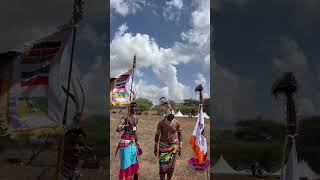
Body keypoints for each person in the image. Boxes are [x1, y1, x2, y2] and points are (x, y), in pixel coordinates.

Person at [116, 101, 142, 180]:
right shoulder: (125, 117)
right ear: (129, 107)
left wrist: (138, 145)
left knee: (134, 163)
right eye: (132, 106)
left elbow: (134, 132)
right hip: (125, 143)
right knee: (125, 164)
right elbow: (118, 128)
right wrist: (123, 126)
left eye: (135, 107)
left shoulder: (136, 118)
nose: (134, 108)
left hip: (133, 143)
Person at [154, 113, 182, 180]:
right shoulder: (161, 123)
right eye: (169, 118)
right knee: (162, 168)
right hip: (163, 148)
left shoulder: (176, 123)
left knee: (171, 168)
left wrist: (180, 147)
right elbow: (157, 135)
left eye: (172, 118)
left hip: (173, 148)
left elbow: (180, 135)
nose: (170, 119)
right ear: (166, 116)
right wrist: (155, 147)